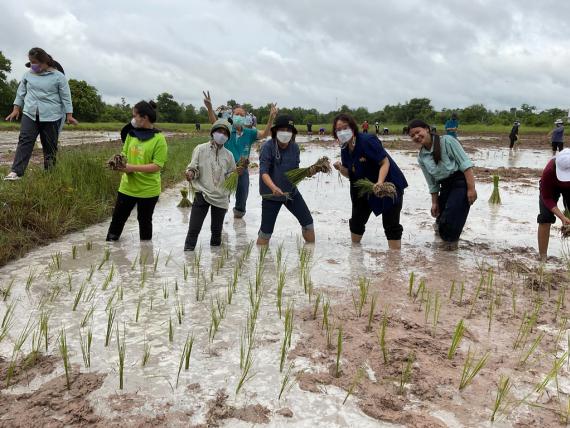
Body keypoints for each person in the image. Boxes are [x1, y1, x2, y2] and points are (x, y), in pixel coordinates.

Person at [333, 113, 407, 249]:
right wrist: (340, 168)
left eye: (345, 128)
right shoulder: (344, 148)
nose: (342, 132)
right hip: (365, 187)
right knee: (356, 221)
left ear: (353, 128)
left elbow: (385, 162)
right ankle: (355, 255)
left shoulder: (367, 140)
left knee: (391, 225)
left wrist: (379, 183)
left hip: (386, 184)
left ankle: (395, 261)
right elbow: (351, 173)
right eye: (338, 130)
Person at [4, 47, 78, 180]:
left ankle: (49, 173)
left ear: (45, 62)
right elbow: (21, 93)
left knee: (49, 144)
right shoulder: (28, 74)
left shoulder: (58, 77)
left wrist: (69, 115)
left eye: (35, 62)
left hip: (52, 115)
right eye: (30, 62)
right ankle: (16, 172)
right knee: (25, 140)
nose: (32, 65)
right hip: (30, 113)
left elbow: (66, 97)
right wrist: (16, 109)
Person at [203, 91, 277, 218]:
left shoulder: (250, 133)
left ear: (246, 118)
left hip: (242, 169)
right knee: (223, 193)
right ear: (232, 115)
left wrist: (271, 118)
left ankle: (238, 217)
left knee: (243, 193)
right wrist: (209, 108)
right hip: (225, 168)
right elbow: (214, 122)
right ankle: (221, 213)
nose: (239, 116)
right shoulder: (226, 129)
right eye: (236, 114)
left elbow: (265, 134)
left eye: (242, 115)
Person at [408, 119, 477, 249]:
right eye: (412, 136)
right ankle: (444, 254)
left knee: (453, 215)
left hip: (459, 181)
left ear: (427, 129)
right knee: (440, 219)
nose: (416, 137)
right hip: (445, 185)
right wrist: (434, 203)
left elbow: (465, 165)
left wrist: (471, 188)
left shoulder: (447, 141)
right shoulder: (422, 157)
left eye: (418, 132)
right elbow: (432, 182)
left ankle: (450, 248)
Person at [106, 101, 168, 242]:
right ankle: (110, 254)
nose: (133, 119)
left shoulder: (159, 139)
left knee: (144, 224)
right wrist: (118, 160)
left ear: (144, 117)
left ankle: (146, 259)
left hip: (148, 190)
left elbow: (157, 166)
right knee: (116, 223)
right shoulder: (131, 135)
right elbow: (125, 153)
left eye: (135, 116)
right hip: (127, 188)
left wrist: (131, 168)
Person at [257, 115, 315, 246]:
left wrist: (308, 173)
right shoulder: (267, 147)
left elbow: (295, 173)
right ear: (275, 131)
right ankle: (260, 260)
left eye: (289, 130)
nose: (286, 133)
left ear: (293, 133)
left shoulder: (295, 148)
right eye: (282, 129)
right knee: (265, 233)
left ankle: (311, 254)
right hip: (271, 195)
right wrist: (273, 187)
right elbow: (264, 172)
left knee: (308, 224)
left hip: (291, 194)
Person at [183, 119, 236, 251]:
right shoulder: (200, 149)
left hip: (221, 197)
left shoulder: (229, 155)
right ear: (213, 133)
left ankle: (216, 262)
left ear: (227, 137)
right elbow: (193, 168)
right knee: (194, 229)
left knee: (217, 232)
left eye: (225, 133)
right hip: (202, 193)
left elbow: (230, 176)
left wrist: (237, 173)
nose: (222, 135)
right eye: (219, 131)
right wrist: (190, 174)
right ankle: (188, 257)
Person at [537, 149, 570, 260]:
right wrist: (562, 217)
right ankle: (543, 258)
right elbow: (546, 198)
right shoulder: (549, 171)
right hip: (551, 187)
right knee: (545, 218)